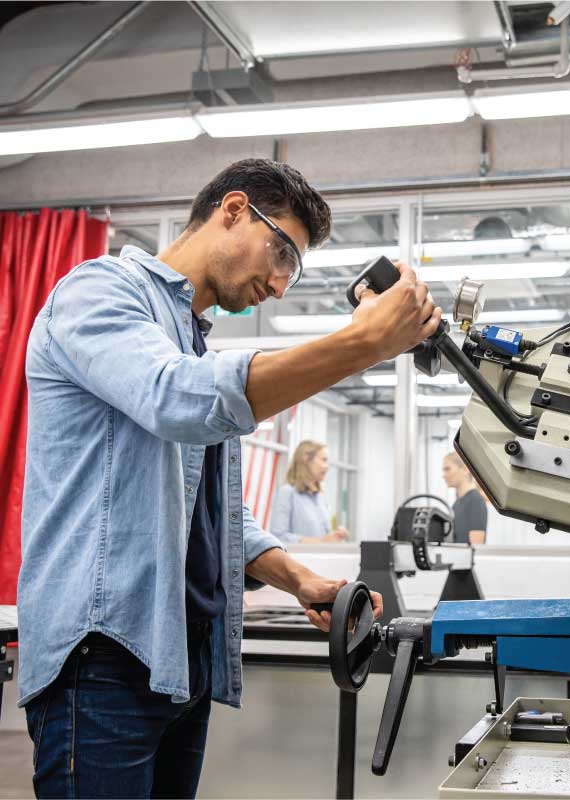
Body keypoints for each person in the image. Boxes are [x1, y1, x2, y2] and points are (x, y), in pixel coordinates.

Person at [19, 157, 442, 799]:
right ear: (235, 209)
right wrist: (360, 344)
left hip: (181, 663)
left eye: (291, 271)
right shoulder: (99, 291)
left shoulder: (190, 342)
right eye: (282, 256)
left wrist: (302, 580)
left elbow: (215, 515)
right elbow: (177, 400)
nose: (278, 285)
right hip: (101, 661)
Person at [270, 440, 348, 544]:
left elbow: (324, 537)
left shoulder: (321, 497)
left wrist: (335, 536)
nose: (327, 466)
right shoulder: (287, 493)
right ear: (306, 460)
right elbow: (278, 537)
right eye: (324, 460)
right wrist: (321, 541)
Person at [442, 451, 488, 545]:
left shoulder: (475, 501)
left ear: (465, 469)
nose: (444, 475)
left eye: (447, 469)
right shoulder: (456, 504)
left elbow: (476, 548)